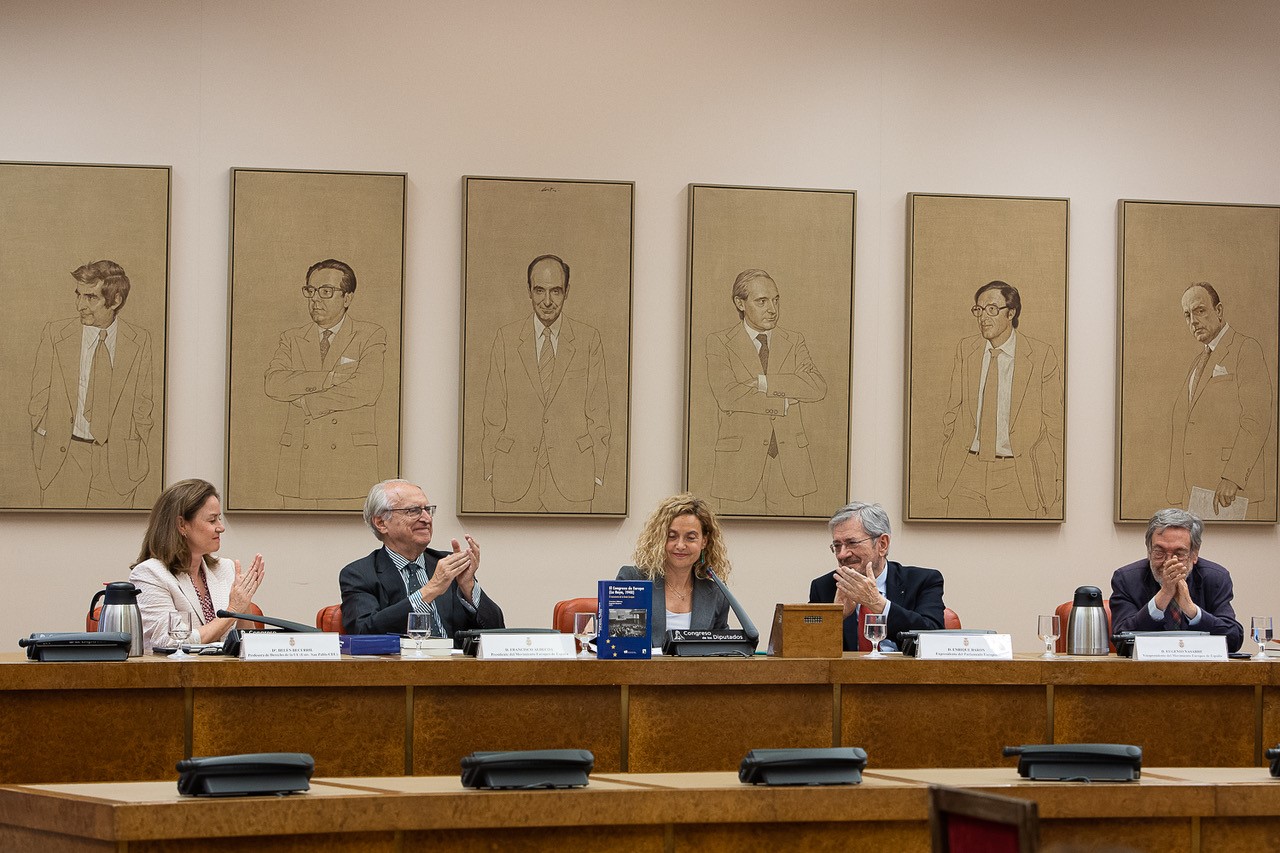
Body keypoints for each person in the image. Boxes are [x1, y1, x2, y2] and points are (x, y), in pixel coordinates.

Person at [482, 254, 611, 512]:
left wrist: (597, 472)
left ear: (567, 292)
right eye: (540, 290)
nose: (548, 301)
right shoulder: (506, 339)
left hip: (573, 476)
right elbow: (493, 409)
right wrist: (490, 468)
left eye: (556, 291)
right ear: (529, 290)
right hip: (513, 476)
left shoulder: (588, 340)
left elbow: (599, 410)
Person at [29, 260, 154, 508]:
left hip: (118, 466)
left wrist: (135, 441)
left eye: (90, 298)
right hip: (63, 459)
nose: (79, 306)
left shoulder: (139, 341)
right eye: (78, 295)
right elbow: (38, 398)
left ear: (115, 300)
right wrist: (42, 435)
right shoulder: (55, 335)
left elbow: (144, 403)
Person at [264, 259, 387, 509]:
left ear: (347, 298)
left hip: (349, 464)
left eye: (326, 291)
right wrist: (327, 378)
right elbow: (274, 383)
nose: (315, 299)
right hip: (298, 464)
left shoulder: (370, 335)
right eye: (310, 291)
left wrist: (306, 401)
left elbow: (366, 389)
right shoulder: (292, 338)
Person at [705, 268, 827, 516]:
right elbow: (728, 395)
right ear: (740, 303)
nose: (772, 309)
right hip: (738, 469)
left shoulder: (794, 341)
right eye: (762, 301)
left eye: (775, 300)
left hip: (790, 469)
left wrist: (764, 382)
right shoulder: (719, 342)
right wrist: (782, 404)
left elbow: (816, 386)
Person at [938, 280, 1063, 519]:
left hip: (1015, 474)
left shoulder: (1040, 356)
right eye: (979, 309)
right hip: (966, 471)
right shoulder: (966, 350)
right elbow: (952, 410)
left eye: (992, 309)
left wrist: (1059, 478)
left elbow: (1055, 423)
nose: (983, 317)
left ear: (1011, 312)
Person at [340, 479, 504, 635]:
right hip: (400, 664)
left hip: (454, 663)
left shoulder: (448, 565)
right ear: (381, 523)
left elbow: (498, 631)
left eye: (428, 510)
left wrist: (468, 587)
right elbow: (363, 633)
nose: (426, 519)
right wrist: (429, 590)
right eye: (413, 511)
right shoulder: (359, 574)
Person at [1167, 282, 1272, 518]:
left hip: (1229, 493)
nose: (1193, 320)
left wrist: (1233, 477)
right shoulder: (1198, 362)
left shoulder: (1246, 348)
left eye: (1200, 310)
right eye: (1187, 315)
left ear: (1219, 311)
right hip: (1194, 493)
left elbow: (1256, 418)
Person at [130, 478, 265, 650]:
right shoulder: (150, 574)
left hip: (227, 674)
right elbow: (170, 641)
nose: (221, 527)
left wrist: (244, 604)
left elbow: (246, 644)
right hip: (175, 675)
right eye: (212, 520)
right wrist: (232, 610)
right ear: (182, 525)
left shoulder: (225, 568)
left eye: (219, 519)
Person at [809, 501, 945, 652]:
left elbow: (933, 639)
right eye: (837, 546)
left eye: (852, 543)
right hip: (847, 675)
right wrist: (834, 617)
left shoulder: (922, 581)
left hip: (906, 674)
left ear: (882, 544)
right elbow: (805, 648)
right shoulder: (824, 587)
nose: (842, 554)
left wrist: (877, 604)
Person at [1110, 508, 1244, 651]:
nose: (1168, 562)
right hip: (1144, 670)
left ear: (1194, 554)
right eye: (1159, 552)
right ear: (1149, 551)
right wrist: (1163, 597)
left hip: (1201, 670)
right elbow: (1121, 641)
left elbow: (1233, 640)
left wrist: (1192, 610)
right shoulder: (1127, 579)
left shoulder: (1215, 578)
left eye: (1179, 553)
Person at [616, 493, 731, 645]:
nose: (680, 545)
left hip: (697, 669)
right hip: (642, 668)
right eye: (672, 536)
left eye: (690, 538)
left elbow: (721, 651)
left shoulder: (717, 593)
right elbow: (620, 642)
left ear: (704, 541)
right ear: (660, 539)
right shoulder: (632, 580)